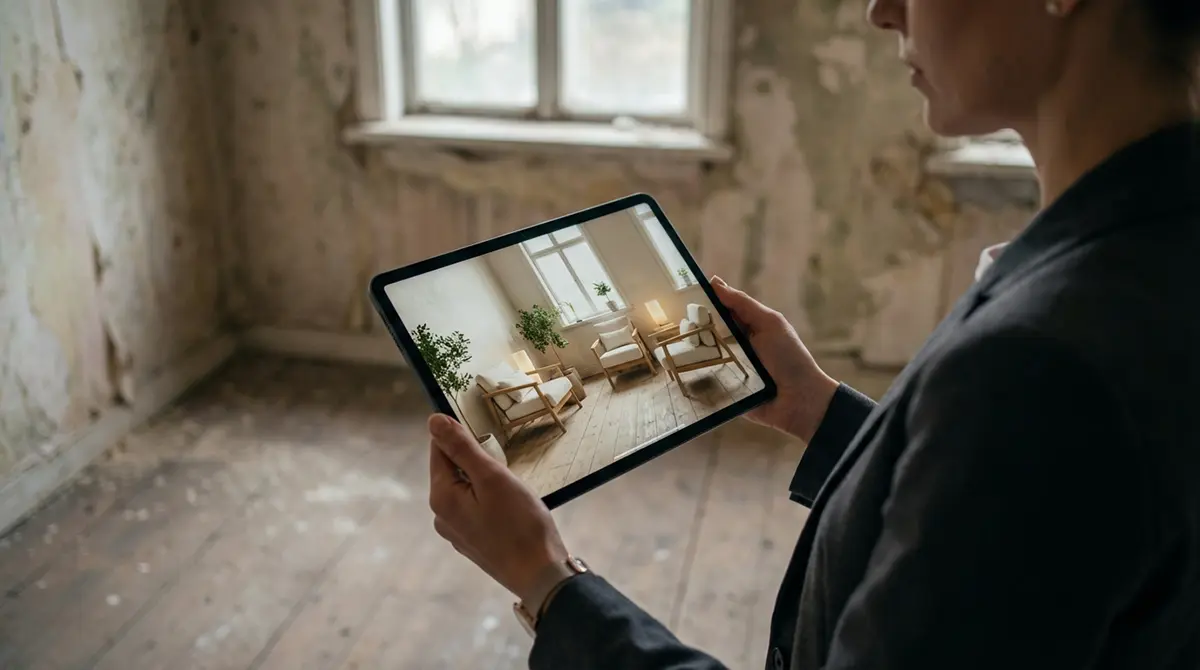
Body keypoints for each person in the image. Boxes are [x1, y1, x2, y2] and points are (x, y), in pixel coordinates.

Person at [425, 0, 1200, 665]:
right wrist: (818, 410)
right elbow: (1014, 530)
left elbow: (1023, 437)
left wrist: (550, 581)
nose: (881, 8)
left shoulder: (1037, 366)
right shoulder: (1149, 254)